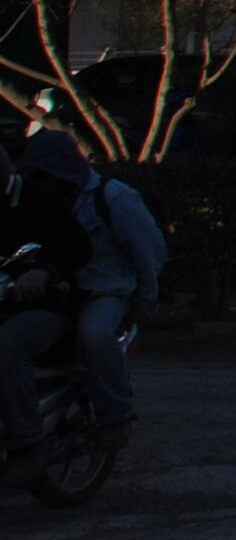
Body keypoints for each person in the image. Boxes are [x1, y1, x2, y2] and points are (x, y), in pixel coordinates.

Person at [13, 132, 152, 440]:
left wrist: (146, 298)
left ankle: (116, 417)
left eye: (47, 175)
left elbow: (147, 250)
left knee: (94, 334)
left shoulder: (114, 197)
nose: (42, 182)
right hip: (58, 290)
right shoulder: (39, 202)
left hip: (104, 290)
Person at [0, 144, 96, 480]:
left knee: (5, 346)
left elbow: (77, 246)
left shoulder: (39, 200)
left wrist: (46, 271)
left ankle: (28, 443)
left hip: (43, 308)